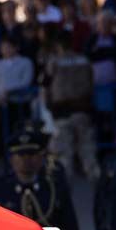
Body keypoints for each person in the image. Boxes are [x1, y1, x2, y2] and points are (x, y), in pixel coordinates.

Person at [41, 30, 98, 179]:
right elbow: (91, 83)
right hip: (83, 110)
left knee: (64, 160)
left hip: (62, 113)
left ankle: (62, 198)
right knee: (88, 155)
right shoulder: (84, 60)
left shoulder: (54, 62)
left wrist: (48, 109)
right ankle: (100, 194)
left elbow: (45, 86)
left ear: (57, 44)